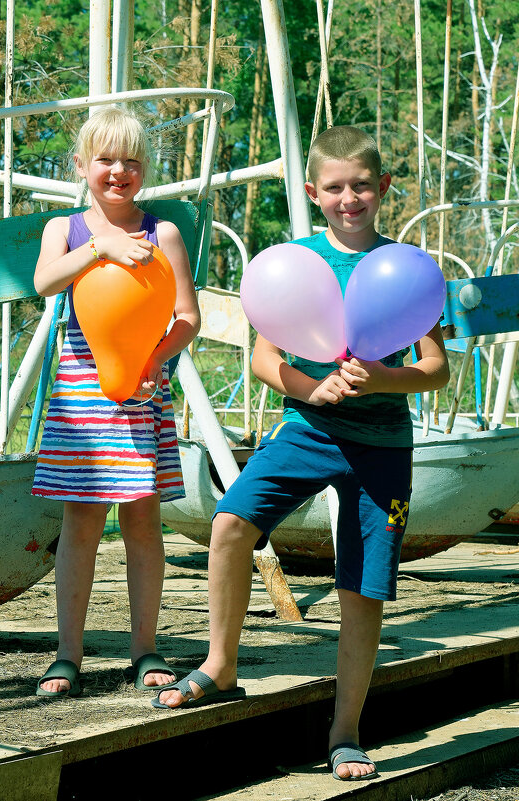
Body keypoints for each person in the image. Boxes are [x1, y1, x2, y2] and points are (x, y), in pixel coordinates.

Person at [152, 126, 449, 781]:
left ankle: (344, 733)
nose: (350, 199)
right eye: (336, 188)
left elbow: (434, 368)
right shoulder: (296, 263)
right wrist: (314, 386)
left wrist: (382, 376)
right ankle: (219, 664)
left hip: (381, 448)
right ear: (315, 193)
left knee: (361, 589)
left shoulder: (406, 270)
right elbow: (264, 357)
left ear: (383, 189)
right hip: (306, 428)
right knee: (230, 523)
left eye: (362, 186)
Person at [31, 106, 200, 698]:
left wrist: (157, 361)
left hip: (143, 391)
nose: (118, 171)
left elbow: (186, 317)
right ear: (81, 166)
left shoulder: (164, 234)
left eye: (131, 160)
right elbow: (44, 283)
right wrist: (100, 248)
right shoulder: (67, 230)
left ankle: (144, 648)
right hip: (81, 394)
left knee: (143, 522)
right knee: (79, 524)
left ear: (144, 170)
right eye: (105, 159)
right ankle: (67, 653)